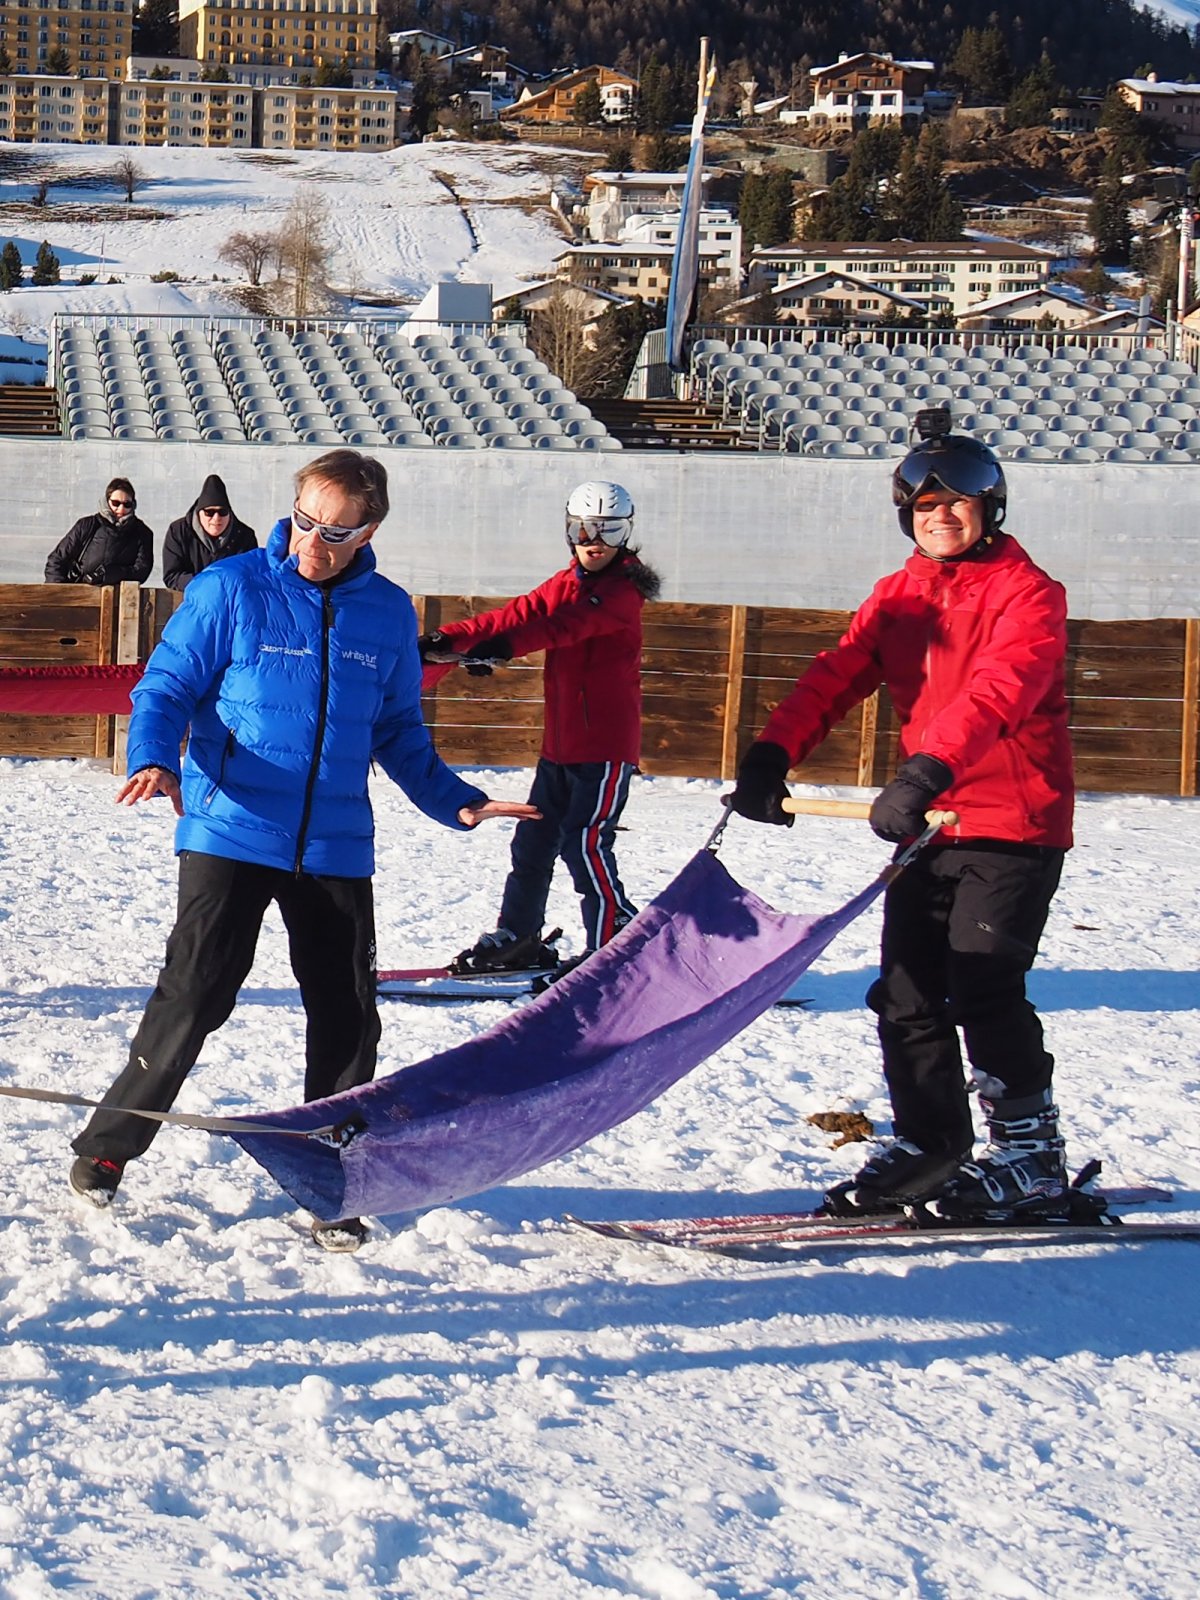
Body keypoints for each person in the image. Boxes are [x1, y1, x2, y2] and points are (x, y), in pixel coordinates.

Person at [68, 449, 537, 1251]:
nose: (313, 542)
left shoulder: (386, 612)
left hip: (334, 841)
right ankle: (109, 1147)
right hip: (231, 824)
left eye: (336, 530)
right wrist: (153, 754)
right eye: (307, 521)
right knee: (198, 994)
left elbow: (397, 732)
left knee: (349, 1015)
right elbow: (166, 686)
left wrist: (455, 799)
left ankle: (334, 1174)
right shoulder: (232, 587)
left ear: (370, 529)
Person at [729, 411, 1075, 1224]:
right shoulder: (899, 595)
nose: (940, 518)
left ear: (991, 510)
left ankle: (1032, 1157)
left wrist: (924, 771)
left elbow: (999, 692)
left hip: (1007, 824)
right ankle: (931, 1142)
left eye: (956, 505)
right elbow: (836, 674)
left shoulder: (1029, 595)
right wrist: (770, 755)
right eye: (924, 508)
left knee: (984, 990)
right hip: (931, 824)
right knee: (907, 994)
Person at [418, 480, 660, 975]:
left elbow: (561, 626)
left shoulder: (622, 592)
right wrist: (448, 638)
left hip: (605, 747)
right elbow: (516, 615)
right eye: (584, 528)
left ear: (626, 533)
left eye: (609, 529)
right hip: (561, 747)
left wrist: (502, 649)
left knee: (585, 842)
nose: (595, 539)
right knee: (533, 842)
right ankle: (519, 934)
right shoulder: (567, 581)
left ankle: (612, 936)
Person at [44, 478, 154, 587]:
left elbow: (141, 571)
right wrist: (59, 593)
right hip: (78, 595)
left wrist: (107, 574)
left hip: (120, 599)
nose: (121, 509)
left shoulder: (142, 533)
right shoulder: (87, 525)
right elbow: (57, 560)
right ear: (107, 501)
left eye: (127, 504)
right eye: (116, 503)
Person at [162, 472, 257, 592]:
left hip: (230, 603)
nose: (216, 518)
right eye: (209, 512)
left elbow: (250, 576)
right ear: (199, 512)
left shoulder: (244, 536)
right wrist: (206, 583)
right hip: (190, 601)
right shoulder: (178, 532)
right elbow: (172, 576)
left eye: (222, 512)